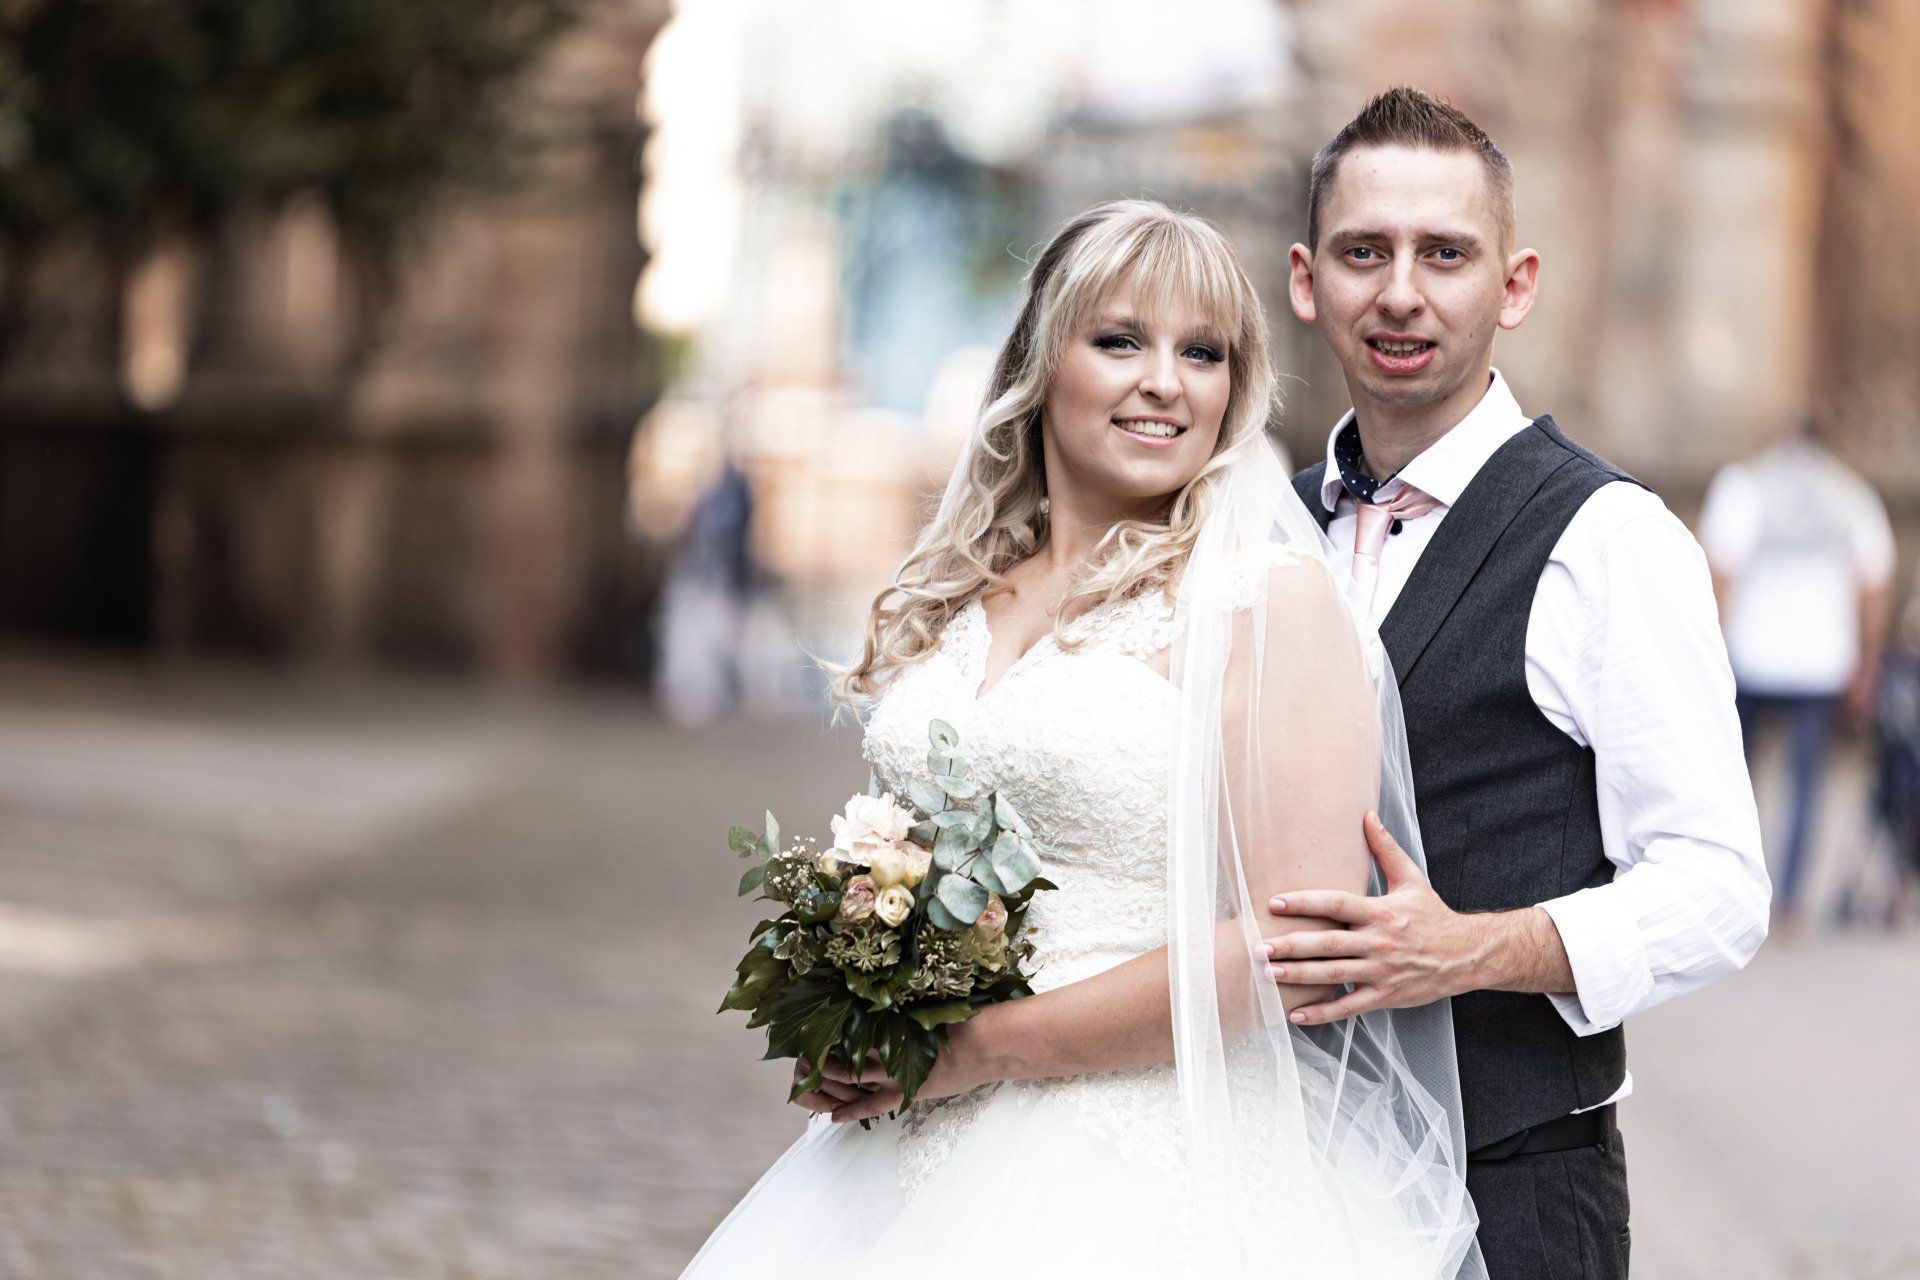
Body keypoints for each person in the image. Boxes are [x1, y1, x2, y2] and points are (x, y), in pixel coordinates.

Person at [683, 200, 1484, 1277]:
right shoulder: (962, 588)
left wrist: (973, 1050)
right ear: (1040, 361)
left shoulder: (1269, 601)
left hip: (1138, 1164)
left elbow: (1290, 954)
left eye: (1202, 353)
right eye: (1119, 341)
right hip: (901, 1150)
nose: (1165, 382)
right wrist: (859, 1002)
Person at [1269, 86, 1771, 1279]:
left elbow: (1719, 886)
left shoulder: (1608, 536)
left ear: (1515, 283)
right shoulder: (1263, 533)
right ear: (1306, 279)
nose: (1401, 291)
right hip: (1278, 1183)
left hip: (1515, 1195)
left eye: (1445, 253)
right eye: (1363, 251)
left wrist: (1470, 949)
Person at [1699, 426, 1894, 924]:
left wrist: (1706, 653)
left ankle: (1725, 892)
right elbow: (1873, 583)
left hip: (1749, 655)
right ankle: (1788, 902)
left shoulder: (1743, 486)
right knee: (1805, 782)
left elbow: (1722, 575)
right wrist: (1867, 659)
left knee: (1729, 779)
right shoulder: (1850, 492)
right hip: (1820, 660)